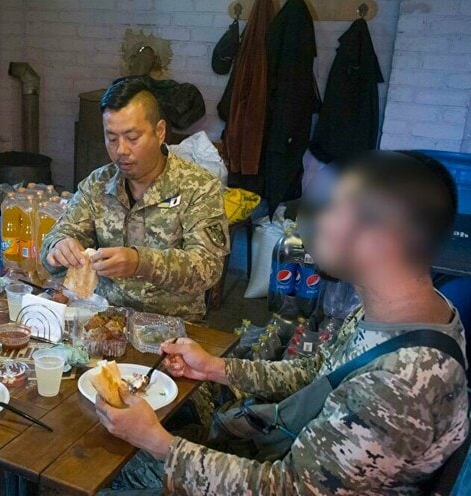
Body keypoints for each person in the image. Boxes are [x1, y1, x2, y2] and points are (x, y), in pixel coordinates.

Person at [96, 151, 469, 494]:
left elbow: (287, 489)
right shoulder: (408, 308)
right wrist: (219, 369)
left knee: (106, 478)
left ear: (380, 239)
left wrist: (157, 442)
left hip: (278, 477)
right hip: (279, 451)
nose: (310, 225)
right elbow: (319, 375)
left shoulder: (398, 386)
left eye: (330, 211)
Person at [40, 78, 229, 321]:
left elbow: (208, 268)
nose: (121, 150)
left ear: (159, 132)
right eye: (112, 138)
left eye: (132, 137)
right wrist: (58, 247)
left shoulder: (198, 187)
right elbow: (55, 241)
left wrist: (141, 262)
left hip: (173, 328)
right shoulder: (98, 184)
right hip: (104, 320)